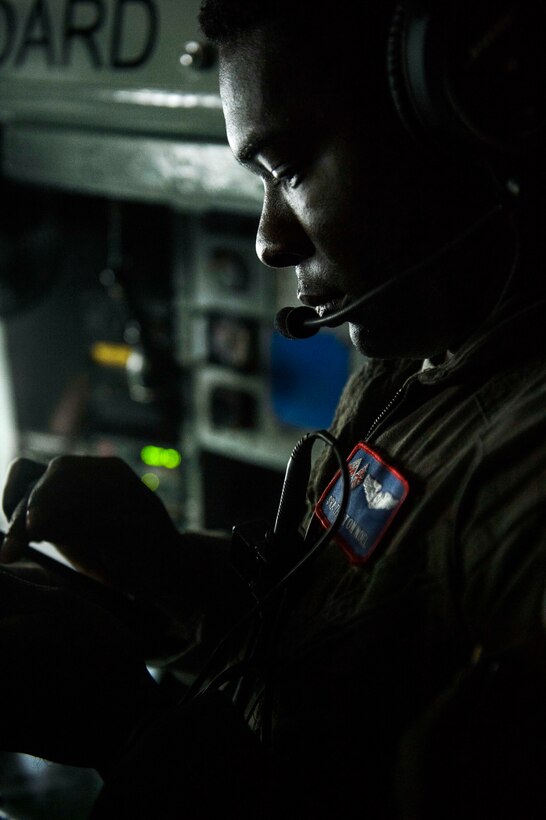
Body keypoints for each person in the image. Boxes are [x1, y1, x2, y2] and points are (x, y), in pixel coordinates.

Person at [1, 1, 545, 817]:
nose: (267, 240)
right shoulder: (416, 355)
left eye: (288, 169)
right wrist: (168, 575)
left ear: (458, 111)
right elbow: (343, 658)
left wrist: (124, 726)